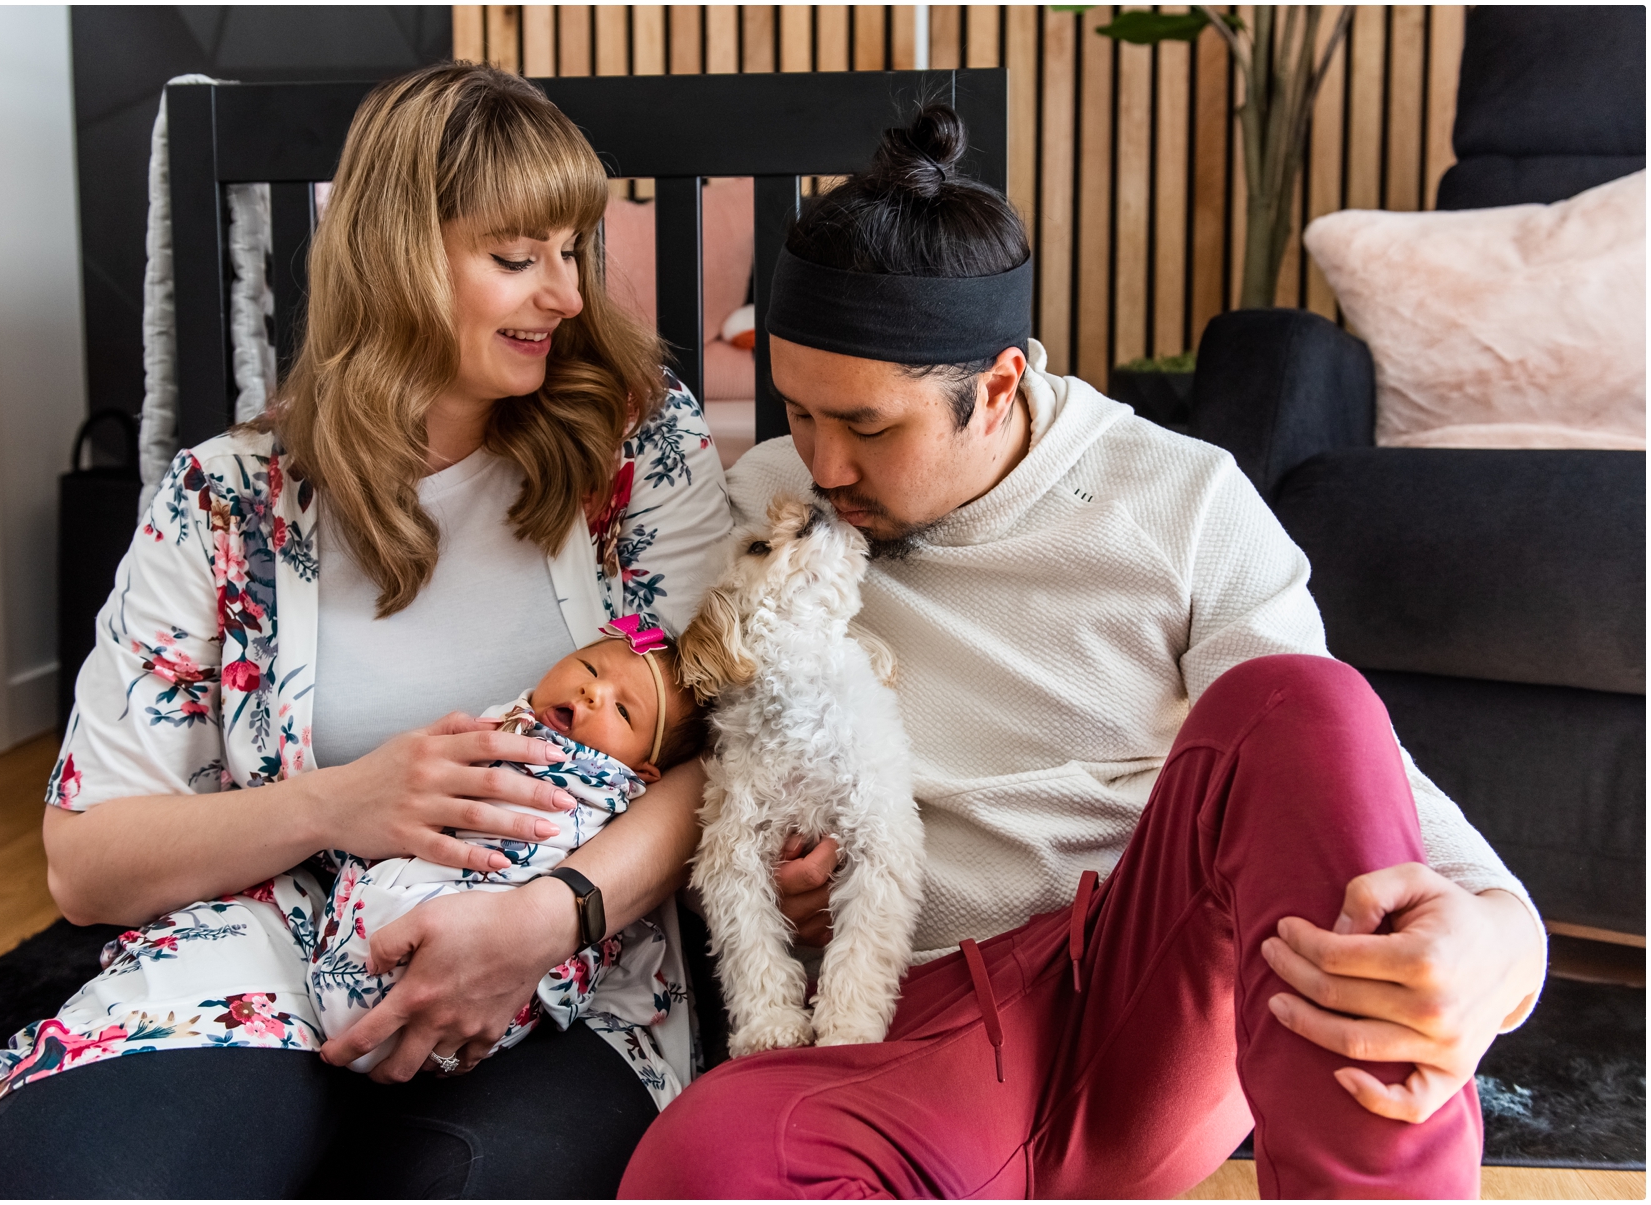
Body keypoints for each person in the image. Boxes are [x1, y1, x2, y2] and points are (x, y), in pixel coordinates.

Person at [619, 105, 1547, 1199]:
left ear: (999, 386)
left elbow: (1345, 773)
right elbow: (667, 743)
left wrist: (1504, 938)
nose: (819, 464)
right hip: (912, 1033)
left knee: (1300, 697)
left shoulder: (1183, 500)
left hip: (1149, 988)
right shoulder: (768, 505)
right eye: (796, 412)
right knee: (705, 1159)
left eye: (868, 428)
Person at [0, 63, 731, 1200]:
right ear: (397, 260)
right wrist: (340, 801)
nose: (566, 296)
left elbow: (721, 754)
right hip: (267, 941)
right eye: (518, 257)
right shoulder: (222, 498)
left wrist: (541, 919)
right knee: (76, 1179)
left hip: (560, 959)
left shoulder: (634, 448)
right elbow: (86, 863)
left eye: (572, 249)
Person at [314, 619, 707, 1076]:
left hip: (508, 940)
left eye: (623, 712)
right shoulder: (498, 725)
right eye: (587, 668)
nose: (593, 693)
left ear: (645, 770)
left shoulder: (609, 791)